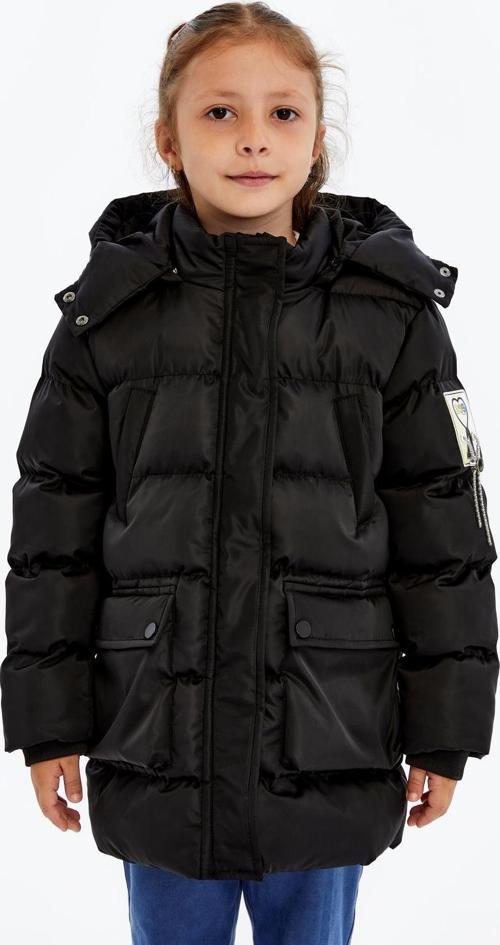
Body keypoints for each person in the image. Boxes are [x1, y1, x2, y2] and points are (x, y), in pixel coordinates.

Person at [1, 3, 498, 944]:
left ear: (316, 138)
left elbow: (445, 535)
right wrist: (47, 719)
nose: (254, 139)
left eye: (284, 113)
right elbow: (52, 535)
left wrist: (446, 728)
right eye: (220, 112)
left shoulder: (390, 316)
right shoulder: (108, 315)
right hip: (158, 735)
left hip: (329, 733)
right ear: (170, 139)